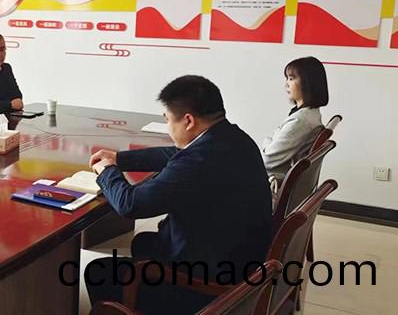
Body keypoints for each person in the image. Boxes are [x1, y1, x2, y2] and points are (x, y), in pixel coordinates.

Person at [87, 75, 272, 314]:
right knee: (143, 243)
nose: (167, 127)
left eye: (167, 119)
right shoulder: (232, 138)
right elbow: (175, 154)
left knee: (99, 272)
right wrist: (119, 159)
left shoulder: (198, 161)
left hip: (208, 285)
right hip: (237, 259)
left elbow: (130, 204)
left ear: (188, 121)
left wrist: (107, 171)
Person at [261, 56, 329, 183]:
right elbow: (272, 139)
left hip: (270, 180)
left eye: (291, 79)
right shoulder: (310, 114)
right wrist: (271, 142)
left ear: (307, 83)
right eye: (287, 78)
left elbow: (267, 160)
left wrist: (268, 143)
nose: (286, 84)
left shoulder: (301, 121)